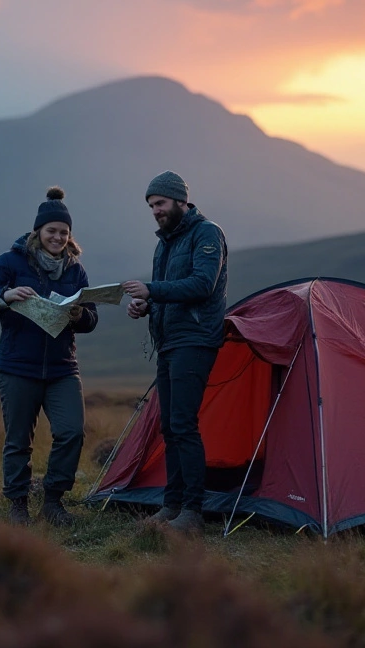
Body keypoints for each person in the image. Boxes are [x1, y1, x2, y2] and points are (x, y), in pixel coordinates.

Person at [0, 187, 98, 527]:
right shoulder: (11, 261)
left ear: (70, 236)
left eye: (64, 232)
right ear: (38, 231)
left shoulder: (76, 270)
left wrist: (77, 316)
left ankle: (53, 502)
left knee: (72, 432)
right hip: (16, 366)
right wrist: (5, 295)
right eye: (51, 230)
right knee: (18, 440)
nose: (57, 237)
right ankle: (18, 506)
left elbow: (91, 319)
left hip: (62, 368)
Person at [122, 171, 228, 535]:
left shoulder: (206, 233)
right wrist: (144, 307)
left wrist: (151, 289)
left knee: (183, 424)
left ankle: (193, 512)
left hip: (195, 339)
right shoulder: (164, 243)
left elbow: (202, 284)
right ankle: (171, 505)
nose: (155, 211)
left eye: (161, 203)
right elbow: (167, 296)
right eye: (151, 206)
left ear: (181, 201)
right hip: (168, 342)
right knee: (169, 427)